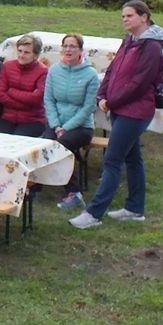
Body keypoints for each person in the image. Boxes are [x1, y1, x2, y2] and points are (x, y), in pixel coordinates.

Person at [71, 1, 163, 229]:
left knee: (112, 160)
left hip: (136, 112)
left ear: (144, 17)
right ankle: (135, 209)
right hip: (119, 108)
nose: (125, 19)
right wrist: (102, 95)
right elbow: (113, 70)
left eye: (130, 16)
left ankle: (94, 214)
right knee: (133, 159)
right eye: (123, 16)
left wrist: (111, 101)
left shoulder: (151, 47)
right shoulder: (129, 41)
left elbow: (140, 83)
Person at [46, 33, 101, 210]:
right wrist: (55, 125)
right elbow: (48, 100)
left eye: (73, 46)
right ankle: (35, 185)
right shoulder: (54, 70)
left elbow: (88, 108)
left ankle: (74, 193)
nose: (68, 50)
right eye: (66, 46)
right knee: (40, 144)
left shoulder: (90, 75)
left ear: (80, 50)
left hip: (81, 127)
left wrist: (66, 128)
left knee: (60, 146)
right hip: (57, 124)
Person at [0, 34, 48, 137]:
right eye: (20, 51)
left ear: (35, 55)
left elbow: (37, 99)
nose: (21, 55)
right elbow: (0, 93)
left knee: (17, 141)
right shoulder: (8, 67)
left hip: (33, 120)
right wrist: (26, 100)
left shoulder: (43, 71)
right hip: (8, 117)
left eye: (26, 52)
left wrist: (11, 91)